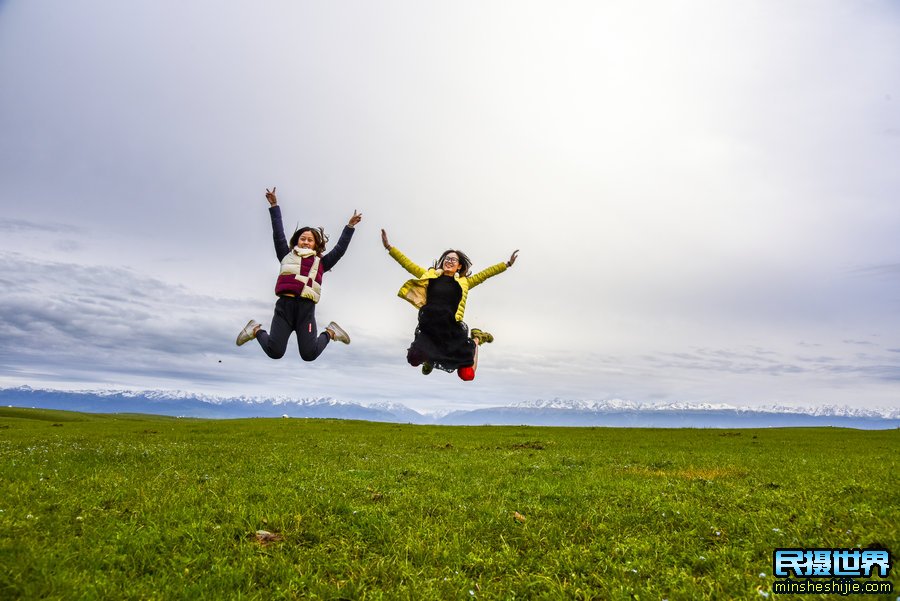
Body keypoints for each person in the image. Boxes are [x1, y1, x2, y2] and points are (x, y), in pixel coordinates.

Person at [236, 187, 362, 362]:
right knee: (275, 351)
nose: (306, 242)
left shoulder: (321, 263)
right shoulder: (286, 256)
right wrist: (274, 206)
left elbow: (340, 250)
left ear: (315, 245)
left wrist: (349, 227)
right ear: (297, 241)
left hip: (306, 311)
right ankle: (255, 330)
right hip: (284, 308)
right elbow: (278, 235)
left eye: (310, 240)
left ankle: (331, 332)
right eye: (303, 238)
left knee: (309, 355)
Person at [381, 228, 517, 381]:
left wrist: (507, 264)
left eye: (453, 259)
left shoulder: (465, 282)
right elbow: (407, 264)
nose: (449, 261)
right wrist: (389, 248)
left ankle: (477, 338)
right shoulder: (430, 275)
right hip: (429, 328)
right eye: (447, 258)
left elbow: (485, 274)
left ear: (459, 266)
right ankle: (429, 360)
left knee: (467, 375)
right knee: (413, 359)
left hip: (452, 330)